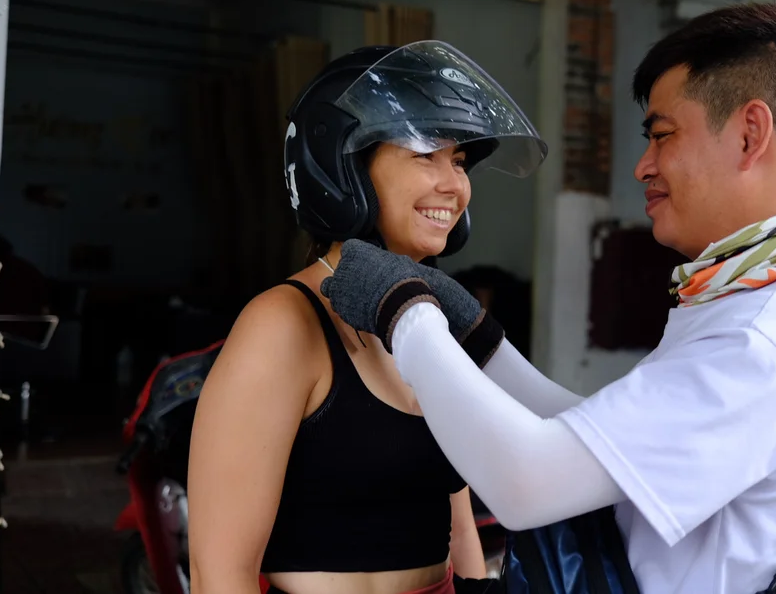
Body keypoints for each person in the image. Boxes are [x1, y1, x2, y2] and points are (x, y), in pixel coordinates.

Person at [319, 3, 776, 594]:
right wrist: (481, 342)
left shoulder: (766, 338)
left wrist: (406, 315)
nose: (643, 166)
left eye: (662, 136)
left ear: (749, 134)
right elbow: (600, 446)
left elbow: (527, 481)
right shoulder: (768, 303)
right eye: (423, 155)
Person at [185, 41, 548, 594]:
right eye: (426, 154)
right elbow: (221, 572)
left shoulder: (427, 321)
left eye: (458, 161)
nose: (455, 185)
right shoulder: (283, 324)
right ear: (344, 166)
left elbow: (456, 520)